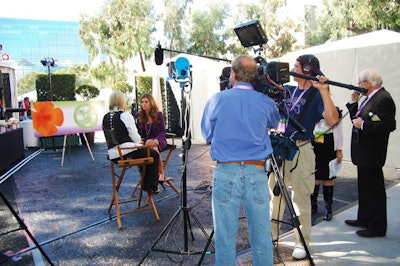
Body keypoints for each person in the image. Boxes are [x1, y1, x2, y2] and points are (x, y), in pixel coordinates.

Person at [201, 55, 280, 266]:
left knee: (225, 239)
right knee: (262, 237)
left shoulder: (217, 100)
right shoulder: (265, 102)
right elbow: (274, 122)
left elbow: (207, 134)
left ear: (233, 74)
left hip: (226, 174)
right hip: (256, 174)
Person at [269, 54, 338, 260]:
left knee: (300, 199)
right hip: (280, 150)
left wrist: (325, 91)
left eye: (297, 66)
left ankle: (302, 242)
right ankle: (272, 238)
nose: (292, 69)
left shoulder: (316, 95)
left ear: (307, 70)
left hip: (301, 150)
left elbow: (332, 120)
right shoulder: (287, 90)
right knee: (275, 197)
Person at [344, 69, 396, 237]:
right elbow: (356, 120)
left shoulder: (384, 99)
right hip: (364, 152)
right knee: (364, 188)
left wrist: (364, 125)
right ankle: (364, 218)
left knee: (374, 190)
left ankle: (377, 226)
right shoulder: (369, 98)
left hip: (372, 152)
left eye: (360, 83)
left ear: (369, 83)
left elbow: (389, 125)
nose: (358, 86)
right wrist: (353, 103)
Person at [102, 91, 160, 193]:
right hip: (125, 153)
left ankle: (145, 184)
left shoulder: (105, 117)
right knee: (153, 154)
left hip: (113, 155)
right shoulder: (124, 115)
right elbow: (134, 135)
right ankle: (151, 187)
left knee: (144, 154)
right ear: (122, 101)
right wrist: (139, 141)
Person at [311, 106, 343, 221]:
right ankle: (312, 205)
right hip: (315, 143)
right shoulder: (314, 107)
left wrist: (339, 150)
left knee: (328, 177)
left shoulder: (334, 110)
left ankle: (328, 208)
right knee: (314, 176)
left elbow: (339, 131)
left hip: (329, 144)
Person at [136, 94, 167, 182]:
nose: (144, 104)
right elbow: (137, 132)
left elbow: (163, 131)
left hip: (159, 140)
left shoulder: (159, 114)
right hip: (146, 142)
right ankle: (156, 174)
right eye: (142, 102)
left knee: (154, 147)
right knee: (150, 146)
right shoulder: (139, 116)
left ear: (151, 103)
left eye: (146, 102)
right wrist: (139, 139)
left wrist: (157, 139)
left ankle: (160, 173)